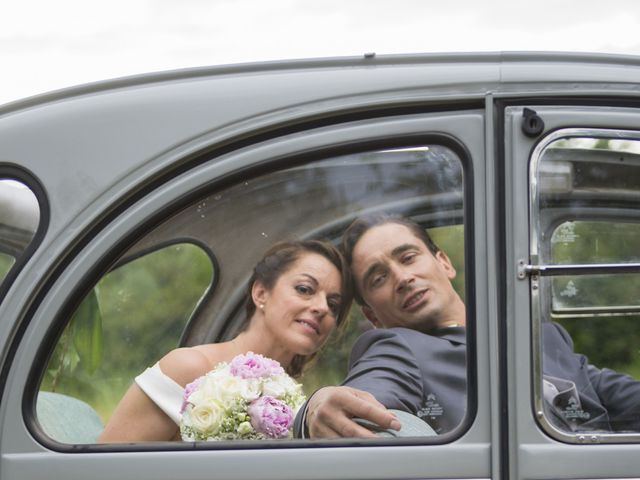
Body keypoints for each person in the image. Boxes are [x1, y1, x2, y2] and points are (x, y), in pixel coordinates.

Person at [295, 214, 640, 439]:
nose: (402, 278)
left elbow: (619, 395)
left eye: (408, 257)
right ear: (372, 316)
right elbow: (366, 394)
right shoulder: (397, 348)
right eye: (379, 277)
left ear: (443, 262)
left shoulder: (546, 338)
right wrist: (318, 406)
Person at [99, 239, 352, 442]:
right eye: (305, 289)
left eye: (333, 304)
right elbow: (102, 470)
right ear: (260, 293)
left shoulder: (299, 403)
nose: (321, 308)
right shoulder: (188, 367)